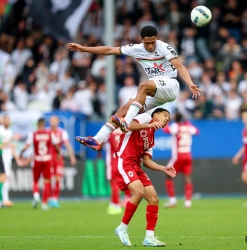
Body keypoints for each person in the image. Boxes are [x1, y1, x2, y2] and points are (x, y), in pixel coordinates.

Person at [67, 25, 201, 151]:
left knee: (143, 85)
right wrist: (84, 49)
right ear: (141, 40)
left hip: (170, 85)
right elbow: (109, 50)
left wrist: (189, 83)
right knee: (124, 109)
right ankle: (97, 139)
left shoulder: (164, 47)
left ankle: (127, 121)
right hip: (155, 90)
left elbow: (179, 66)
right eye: (147, 43)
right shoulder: (136, 49)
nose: (150, 46)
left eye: (153, 42)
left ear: (156, 39)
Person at [113, 108, 176, 247]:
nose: (167, 119)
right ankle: (122, 228)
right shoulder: (146, 118)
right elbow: (128, 125)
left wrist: (163, 168)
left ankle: (149, 237)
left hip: (136, 165)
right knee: (139, 192)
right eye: (165, 115)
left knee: (154, 198)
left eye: (169, 118)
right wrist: (149, 124)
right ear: (155, 115)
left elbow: (146, 161)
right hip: (125, 161)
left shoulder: (151, 138)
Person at [20, 118, 59, 210]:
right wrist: (59, 153)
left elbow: (26, 146)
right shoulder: (50, 133)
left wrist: (21, 153)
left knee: (35, 180)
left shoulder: (33, 134)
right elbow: (56, 145)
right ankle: (44, 203)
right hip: (47, 159)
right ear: (44, 124)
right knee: (47, 181)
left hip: (37, 159)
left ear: (37, 124)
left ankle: (36, 195)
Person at [162, 112, 199, 208]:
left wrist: (167, 122)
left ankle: (172, 200)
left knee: (167, 174)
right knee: (187, 178)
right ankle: (188, 202)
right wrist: (188, 123)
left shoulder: (175, 126)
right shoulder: (188, 127)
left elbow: (166, 130)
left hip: (178, 156)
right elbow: (196, 131)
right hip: (188, 156)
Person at [105, 111, 131, 215]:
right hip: (125, 161)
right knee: (123, 182)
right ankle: (119, 202)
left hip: (113, 161)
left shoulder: (109, 131)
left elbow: (100, 144)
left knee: (114, 184)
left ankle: (115, 205)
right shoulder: (126, 131)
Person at [47, 116, 77, 208]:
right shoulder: (46, 131)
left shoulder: (62, 132)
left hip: (58, 158)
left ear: (58, 122)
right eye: (52, 120)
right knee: (48, 178)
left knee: (57, 178)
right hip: (47, 158)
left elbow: (67, 144)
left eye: (55, 120)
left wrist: (72, 156)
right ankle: (48, 198)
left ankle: (55, 199)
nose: (53, 122)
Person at [0, 115, 14, 207]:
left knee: (6, 177)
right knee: (4, 177)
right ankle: (4, 199)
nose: (7, 122)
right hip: (1, 156)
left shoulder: (10, 131)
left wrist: (17, 157)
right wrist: (8, 140)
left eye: (8, 120)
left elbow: (10, 145)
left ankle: (3, 199)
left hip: (8, 156)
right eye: (5, 120)